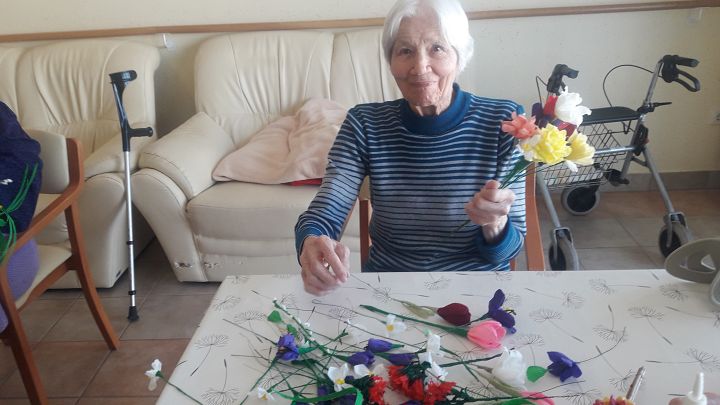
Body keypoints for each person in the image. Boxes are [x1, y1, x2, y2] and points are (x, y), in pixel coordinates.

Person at [295, 0, 526, 296]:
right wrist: (311, 240)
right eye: (405, 51)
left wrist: (495, 224)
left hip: (476, 290)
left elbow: (508, 251)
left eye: (437, 48)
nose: (420, 67)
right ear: (390, 61)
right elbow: (329, 207)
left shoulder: (503, 121)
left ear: (460, 56)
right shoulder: (365, 123)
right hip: (391, 290)